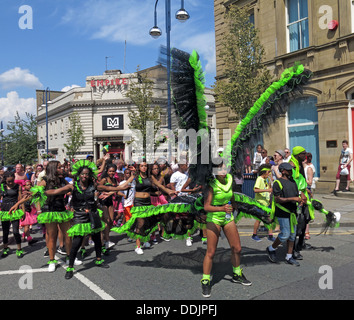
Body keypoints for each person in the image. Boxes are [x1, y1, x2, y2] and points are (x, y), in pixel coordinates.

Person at [201, 162, 251, 298]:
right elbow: (206, 207)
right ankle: (205, 280)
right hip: (214, 217)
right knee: (211, 252)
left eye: (224, 168)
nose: (222, 170)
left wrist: (235, 206)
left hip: (228, 217)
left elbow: (231, 195)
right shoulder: (212, 185)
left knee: (237, 248)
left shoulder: (229, 179)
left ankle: (236, 273)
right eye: (219, 169)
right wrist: (221, 208)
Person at [36, 161, 79, 272]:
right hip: (49, 210)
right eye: (59, 167)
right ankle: (52, 260)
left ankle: (70, 257)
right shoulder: (44, 181)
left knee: (68, 234)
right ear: (53, 168)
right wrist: (39, 210)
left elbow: (71, 186)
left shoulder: (61, 179)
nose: (61, 169)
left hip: (62, 210)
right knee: (52, 236)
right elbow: (37, 196)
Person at [266, 162, 303, 266]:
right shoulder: (278, 183)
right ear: (283, 171)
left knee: (292, 236)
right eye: (289, 170)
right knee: (285, 234)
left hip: (292, 212)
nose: (291, 171)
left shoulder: (293, 182)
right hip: (282, 212)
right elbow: (277, 199)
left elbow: (297, 193)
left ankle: (289, 256)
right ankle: (271, 248)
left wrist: (301, 199)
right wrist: (293, 198)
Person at [0, 171, 25, 258]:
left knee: (15, 231)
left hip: (15, 209)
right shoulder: (2, 187)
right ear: (5, 180)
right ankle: (6, 248)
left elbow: (20, 199)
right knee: (5, 231)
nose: (11, 183)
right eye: (9, 181)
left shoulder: (18, 186)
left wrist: (23, 211)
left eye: (12, 181)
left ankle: (19, 249)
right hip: (4, 210)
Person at [98, 163, 119, 250]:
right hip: (103, 201)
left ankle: (104, 236)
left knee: (111, 221)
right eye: (110, 171)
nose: (111, 173)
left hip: (110, 201)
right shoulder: (104, 179)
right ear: (107, 171)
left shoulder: (114, 180)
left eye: (113, 171)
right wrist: (102, 193)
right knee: (106, 221)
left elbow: (117, 190)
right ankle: (106, 240)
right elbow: (98, 187)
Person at [170, 163, 192, 246]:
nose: (186, 167)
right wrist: (175, 196)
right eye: (185, 165)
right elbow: (172, 185)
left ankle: (188, 237)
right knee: (178, 217)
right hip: (179, 198)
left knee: (188, 217)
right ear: (180, 166)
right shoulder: (175, 175)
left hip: (187, 197)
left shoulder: (188, 174)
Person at [252, 164, 275, 242]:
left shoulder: (265, 180)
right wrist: (267, 190)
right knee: (258, 219)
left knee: (269, 219)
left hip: (266, 203)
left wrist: (270, 182)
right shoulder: (259, 179)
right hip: (260, 203)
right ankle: (254, 234)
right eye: (268, 172)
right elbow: (255, 190)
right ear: (264, 172)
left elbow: (268, 189)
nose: (269, 174)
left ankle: (270, 235)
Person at [303, 152, 316, 240]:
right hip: (300, 191)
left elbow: (310, 182)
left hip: (307, 191)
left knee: (306, 212)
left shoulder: (309, 168)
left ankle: (306, 232)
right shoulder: (299, 168)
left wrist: (302, 180)